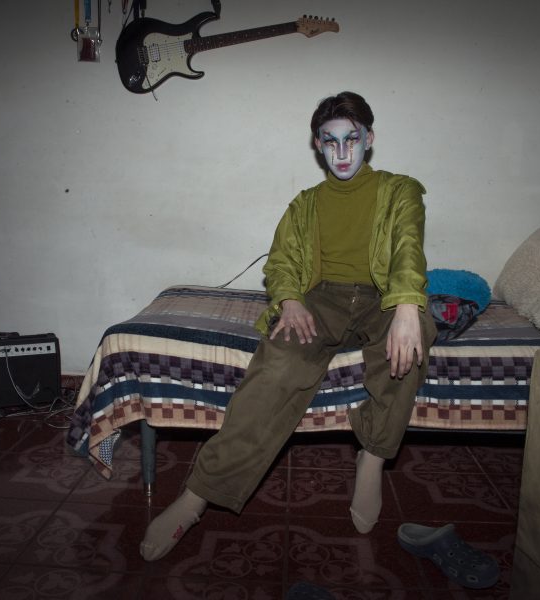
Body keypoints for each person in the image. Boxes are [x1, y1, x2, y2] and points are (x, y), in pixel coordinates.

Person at [140, 91, 437, 561]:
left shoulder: (400, 190)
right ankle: (196, 497)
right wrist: (291, 300)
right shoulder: (305, 204)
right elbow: (280, 263)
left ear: (369, 139)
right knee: (277, 365)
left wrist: (405, 308)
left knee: (413, 336)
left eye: (352, 139)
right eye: (330, 141)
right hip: (323, 297)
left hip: (383, 295)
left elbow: (407, 249)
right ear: (318, 145)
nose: (342, 152)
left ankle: (373, 457)